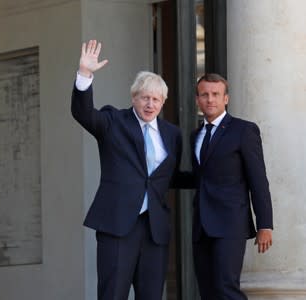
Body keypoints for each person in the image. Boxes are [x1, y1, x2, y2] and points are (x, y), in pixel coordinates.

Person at [71, 40, 185, 300]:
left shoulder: (172, 134)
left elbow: (167, 178)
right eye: (145, 97)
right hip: (118, 224)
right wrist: (85, 75)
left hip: (154, 230)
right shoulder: (114, 121)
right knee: (112, 294)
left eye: (156, 99)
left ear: (163, 102)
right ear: (134, 98)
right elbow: (84, 113)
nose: (150, 104)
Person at [190, 73, 273, 299]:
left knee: (227, 289)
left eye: (216, 94)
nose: (210, 99)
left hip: (230, 224)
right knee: (208, 291)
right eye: (204, 94)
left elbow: (258, 179)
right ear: (197, 99)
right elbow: (201, 178)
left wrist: (265, 224)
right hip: (201, 226)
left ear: (226, 99)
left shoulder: (243, 130)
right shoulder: (195, 135)